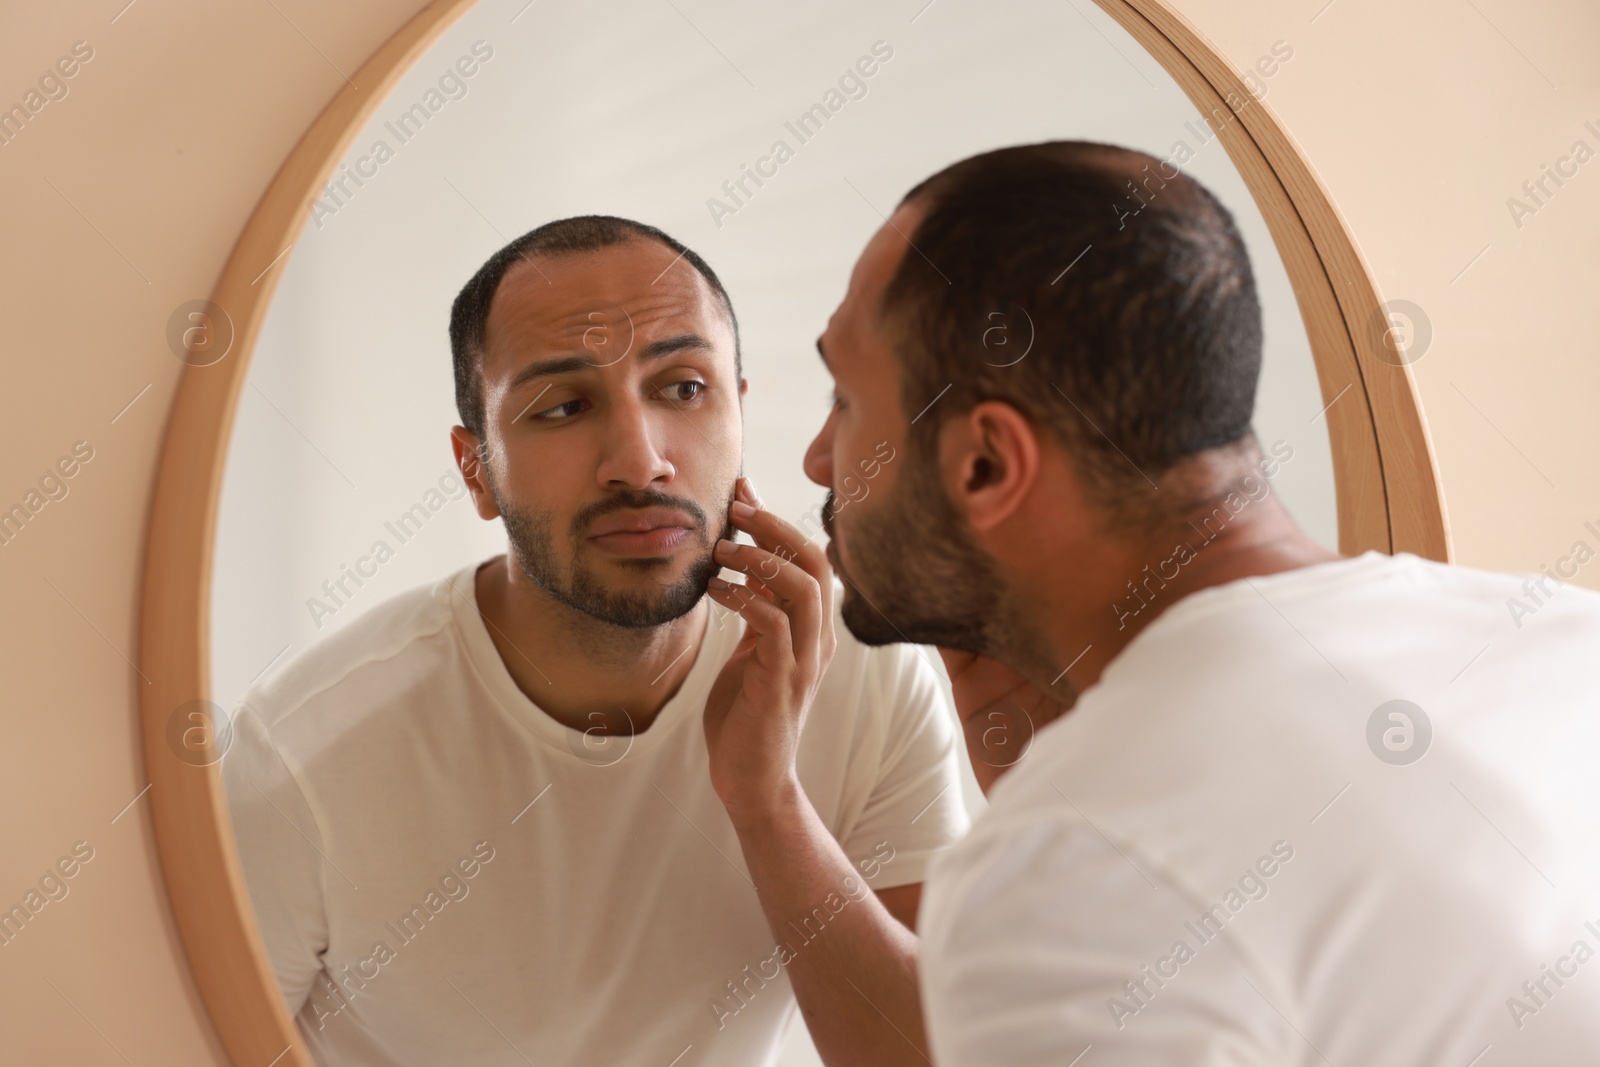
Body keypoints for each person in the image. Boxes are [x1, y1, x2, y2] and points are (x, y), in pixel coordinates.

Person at [803, 141, 1600, 1065]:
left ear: (985, 465)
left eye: (845, 399)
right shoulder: (1565, 638)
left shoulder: (1082, 864)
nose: (821, 459)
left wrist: (1066, 841)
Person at [222, 215, 970, 1066]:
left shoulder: (863, 672)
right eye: (565, 405)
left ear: (739, 414)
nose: (640, 460)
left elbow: (931, 1057)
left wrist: (768, 804)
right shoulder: (303, 749)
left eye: (684, 388)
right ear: (478, 471)